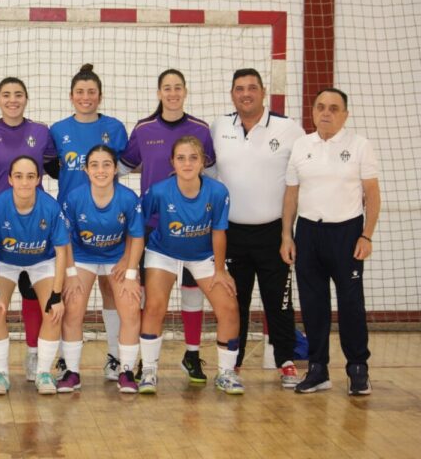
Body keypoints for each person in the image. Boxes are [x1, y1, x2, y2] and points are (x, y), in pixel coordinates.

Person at [281, 88, 380, 396]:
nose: (326, 112)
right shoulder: (300, 146)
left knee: (351, 304)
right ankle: (318, 369)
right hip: (309, 232)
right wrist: (287, 234)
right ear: (313, 112)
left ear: (345, 115)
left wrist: (367, 235)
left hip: (347, 234)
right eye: (321, 107)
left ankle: (357, 368)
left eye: (334, 108)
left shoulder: (360, 146)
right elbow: (291, 194)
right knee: (313, 305)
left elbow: (372, 195)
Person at [119, 69, 215, 383]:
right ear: (159, 93)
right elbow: (123, 165)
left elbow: (211, 172)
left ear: (185, 92)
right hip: (153, 226)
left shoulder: (200, 129)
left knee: (192, 292)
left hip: (193, 227)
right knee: (150, 298)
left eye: (177, 88)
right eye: (166, 88)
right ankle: (148, 364)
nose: (172, 93)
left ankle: (192, 354)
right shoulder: (144, 128)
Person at [211, 68, 305, 387]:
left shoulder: (289, 129)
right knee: (233, 301)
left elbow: (298, 180)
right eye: (239, 88)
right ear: (232, 94)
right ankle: (231, 364)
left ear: (264, 92)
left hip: (274, 234)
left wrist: (287, 234)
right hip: (231, 233)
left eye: (252, 88)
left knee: (277, 301)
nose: (246, 93)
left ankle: (286, 361)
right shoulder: (219, 127)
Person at [0, 77, 58, 382]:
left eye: (18, 95)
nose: (12, 100)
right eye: (6, 95)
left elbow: (57, 169)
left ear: (26, 99)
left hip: (31, 225)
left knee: (32, 293)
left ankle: (34, 355)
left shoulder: (41, 133)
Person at [138, 136, 243, 395]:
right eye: (181, 158)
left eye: (193, 158)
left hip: (203, 255)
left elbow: (219, 232)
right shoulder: (160, 191)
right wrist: (130, 265)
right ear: (172, 162)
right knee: (153, 306)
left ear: (203, 162)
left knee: (229, 305)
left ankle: (226, 373)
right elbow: (138, 225)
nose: (187, 163)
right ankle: (149, 370)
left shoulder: (218, 192)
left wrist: (220, 270)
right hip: (163, 253)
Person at [47, 64, 129, 381]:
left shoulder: (115, 128)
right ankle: (69, 363)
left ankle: (113, 357)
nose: (85, 97)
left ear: (100, 96)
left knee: (111, 290)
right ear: (71, 96)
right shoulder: (57, 130)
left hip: (109, 224)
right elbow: (55, 170)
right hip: (71, 226)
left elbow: (121, 168)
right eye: (80, 92)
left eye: (91, 92)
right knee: (72, 295)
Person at [58, 145, 144, 393]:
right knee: (73, 308)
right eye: (94, 164)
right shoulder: (75, 198)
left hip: (118, 257)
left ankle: (125, 370)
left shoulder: (128, 198)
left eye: (106, 164)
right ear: (85, 169)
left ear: (115, 168)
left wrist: (129, 272)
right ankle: (72, 371)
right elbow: (64, 239)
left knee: (130, 307)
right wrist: (71, 273)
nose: (101, 170)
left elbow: (136, 236)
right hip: (83, 256)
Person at [0, 156, 69, 395]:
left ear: (38, 179)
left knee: (53, 313)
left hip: (42, 262)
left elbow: (62, 252)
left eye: (30, 176)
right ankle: (1, 374)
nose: (24, 182)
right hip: (5, 262)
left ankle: (43, 372)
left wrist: (57, 294)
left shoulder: (50, 207)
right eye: (18, 176)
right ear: (10, 179)